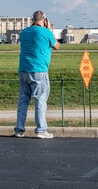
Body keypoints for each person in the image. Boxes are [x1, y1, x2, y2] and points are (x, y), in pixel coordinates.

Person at [14, 10, 59, 138]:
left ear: (32, 19)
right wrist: (50, 30)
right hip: (39, 69)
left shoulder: (24, 32)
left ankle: (19, 129)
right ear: (44, 20)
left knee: (23, 100)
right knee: (40, 100)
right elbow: (56, 46)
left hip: (23, 69)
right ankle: (41, 129)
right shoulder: (46, 32)